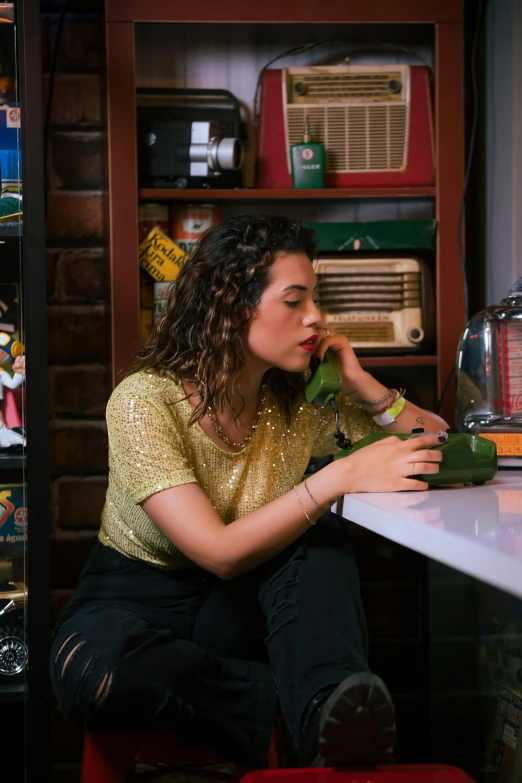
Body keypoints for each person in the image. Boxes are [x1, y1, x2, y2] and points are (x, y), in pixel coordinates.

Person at [50, 213, 447, 769]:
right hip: (135, 604)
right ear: (232, 303)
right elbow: (217, 551)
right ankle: (296, 705)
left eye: (316, 299)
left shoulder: (300, 401)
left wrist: (361, 382)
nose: (316, 317)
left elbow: (439, 444)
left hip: (242, 608)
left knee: (318, 539)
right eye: (294, 301)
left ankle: (321, 709)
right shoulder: (144, 402)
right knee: (92, 668)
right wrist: (335, 478)